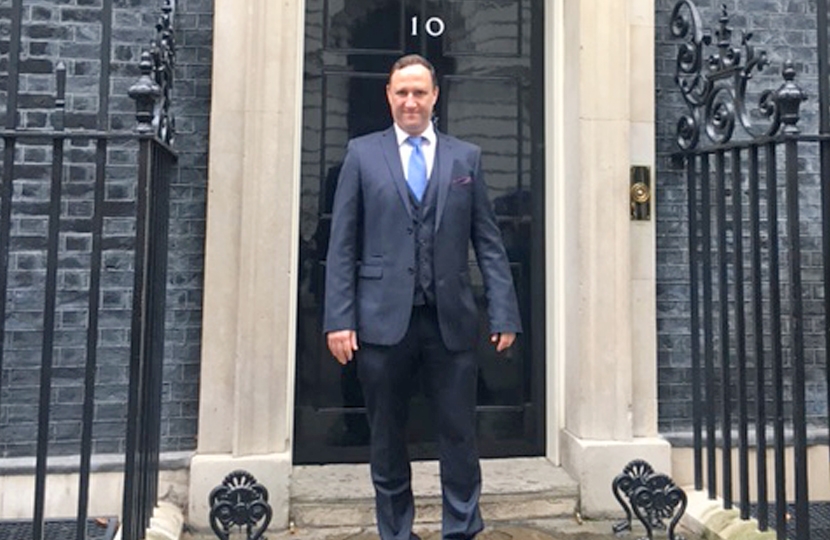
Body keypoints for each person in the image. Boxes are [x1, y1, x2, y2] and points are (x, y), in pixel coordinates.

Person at [324, 54, 522, 540]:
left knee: (458, 435)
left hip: (449, 319)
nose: (410, 101)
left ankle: (462, 528)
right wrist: (338, 319)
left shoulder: (465, 158)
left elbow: (489, 243)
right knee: (387, 438)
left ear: (436, 96)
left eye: (419, 92)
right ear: (388, 97)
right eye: (401, 92)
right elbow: (342, 243)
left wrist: (505, 312)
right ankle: (396, 533)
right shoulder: (362, 154)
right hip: (380, 322)